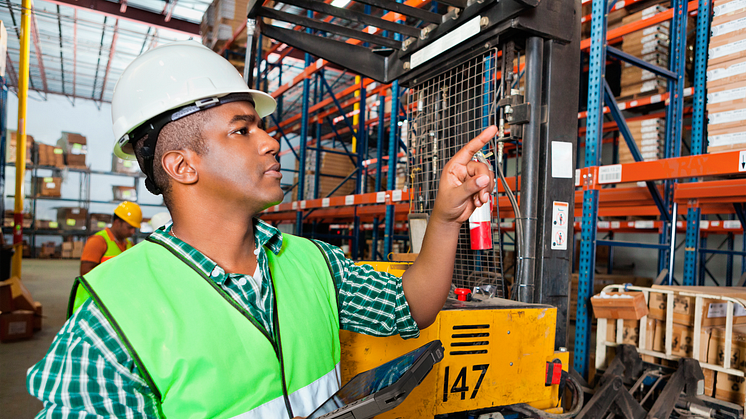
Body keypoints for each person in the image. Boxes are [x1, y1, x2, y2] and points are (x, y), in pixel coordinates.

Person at [27, 41, 496, 419]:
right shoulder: (112, 322)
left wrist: (444, 219)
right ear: (183, 165)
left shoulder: (311, 261)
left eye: (262, 127)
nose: (272, 141)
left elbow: (410, 307)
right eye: (242, 130)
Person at [79, 201, 142, 275]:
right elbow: (85, 273)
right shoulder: (97, 241)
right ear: (117, 222)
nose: (133, 232)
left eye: (135, 228)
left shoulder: (129, 244)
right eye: (130, 227)